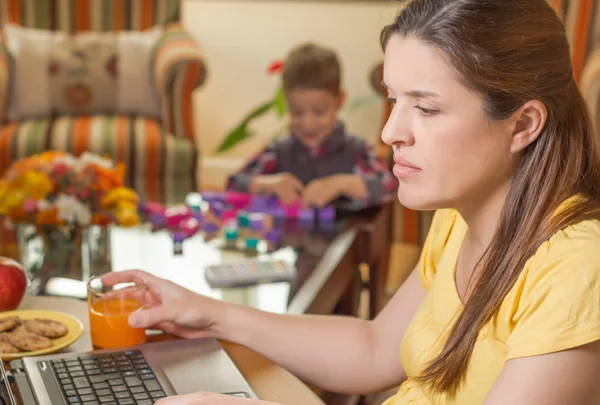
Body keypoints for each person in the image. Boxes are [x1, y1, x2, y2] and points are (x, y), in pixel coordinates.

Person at [105, 0, 600, 403]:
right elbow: (374, 349)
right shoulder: (460, 218)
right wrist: (209, 313)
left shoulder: (577, 269)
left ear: (524, 125)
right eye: (393, 99)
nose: (390, 132)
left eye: (425, 108)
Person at [225, 42, 397, 210]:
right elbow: (233, 183)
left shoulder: (356, 150)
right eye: (297, 112)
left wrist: (341, 184)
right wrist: (267, 184)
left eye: (319, 112)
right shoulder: (277, 151)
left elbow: (388, 187)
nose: (308, 124)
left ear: (340, 101)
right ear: (287, 103)